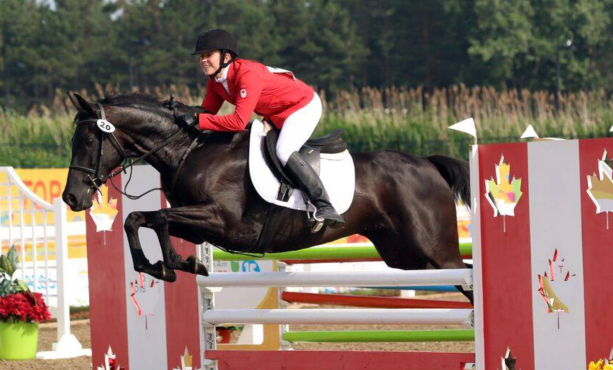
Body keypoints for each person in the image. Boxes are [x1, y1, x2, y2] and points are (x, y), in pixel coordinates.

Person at [177, 28, 344, 224]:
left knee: (284, 150)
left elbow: (238, 122)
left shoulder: (246, 74)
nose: (203, 60)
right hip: (275, 112)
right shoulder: (215, 82)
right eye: (201, 56)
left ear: (226, 56)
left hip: (302, 105)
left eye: (208, 55)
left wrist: (200, 120)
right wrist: (180, 113)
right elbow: (206, 112)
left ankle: (324, 204)